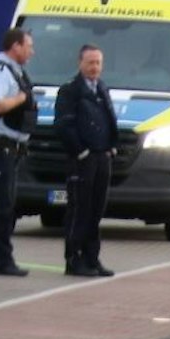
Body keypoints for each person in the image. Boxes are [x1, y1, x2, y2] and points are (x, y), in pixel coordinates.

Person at [53, 44, 118, 278]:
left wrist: (111, 147)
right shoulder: (70, 90)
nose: (94, 68)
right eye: (90, 63)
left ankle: (92, 258)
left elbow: (109, 119)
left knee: (96, 210)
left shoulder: (102, 88)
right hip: (82, 160)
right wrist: (80, 151)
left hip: (102, 158)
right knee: (79, 209)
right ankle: (74, 259)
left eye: (98, 63)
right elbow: (63, 125)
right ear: (80, 63)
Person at [0, 28, 36, 276]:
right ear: (15, 46)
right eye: (29, 46)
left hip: (11, 147)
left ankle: (3, 258)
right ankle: (1, 261)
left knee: (6, 204)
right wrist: (20, 100)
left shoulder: (16, 71)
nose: (32, 51)